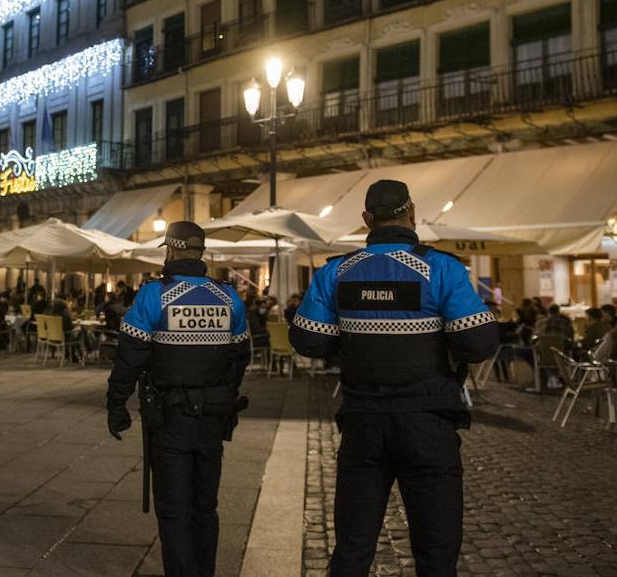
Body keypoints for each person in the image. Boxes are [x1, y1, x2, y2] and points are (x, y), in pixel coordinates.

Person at [289, 179, 498, 577]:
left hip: (363, 424)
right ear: (413, 214)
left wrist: (345, 341)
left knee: (352, 547)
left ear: (367, 220)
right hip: (428, 424)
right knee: (436, 553)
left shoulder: (336, 272)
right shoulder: (441, 268)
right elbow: (479, 343)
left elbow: (307, 339)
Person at [106, 221, 250, 577]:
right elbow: (240, 357)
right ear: (201, 252)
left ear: (170, 250)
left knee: (173, 507)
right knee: (205, 506)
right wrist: (223, 398)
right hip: (213, 416)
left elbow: (129, 358)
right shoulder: (227, 295)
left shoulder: (154, 295)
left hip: (169, 417)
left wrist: (116, 404)